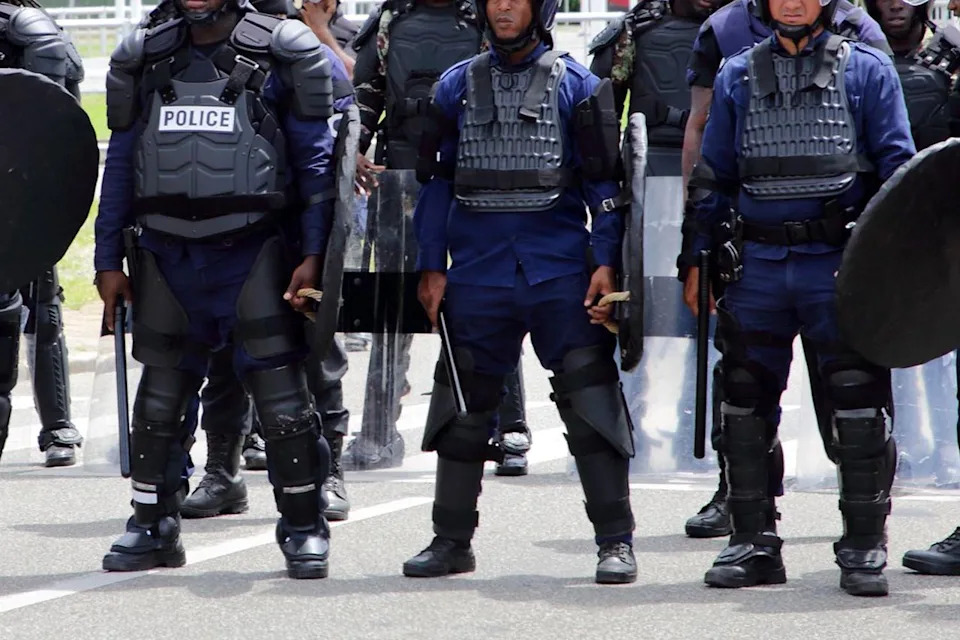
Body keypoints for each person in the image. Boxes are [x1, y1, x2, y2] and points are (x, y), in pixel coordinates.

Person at [95, 0, 352, 578]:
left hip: (255, 251)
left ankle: (304, 526)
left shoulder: (285, 48)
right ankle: (152, 524)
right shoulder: (144, 54)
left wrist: (314, 255)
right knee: (159, 400)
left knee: (283, 402)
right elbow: (122, 163)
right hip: (165, 254)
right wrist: (107, 257)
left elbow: (317, 168)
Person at [679, 0, 914, 595]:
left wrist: (896, 268)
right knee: (742, 404)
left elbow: (898, 173)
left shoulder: (867, 70)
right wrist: (694, 257)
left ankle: (863, 547)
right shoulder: (735, 73)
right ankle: (752, 542)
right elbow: (715, 175)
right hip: (755, 267)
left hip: (837, 267)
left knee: (858, 407)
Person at [403, 0, 637, 583]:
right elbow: (433, 184)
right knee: (461, 411)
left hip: (558, 274)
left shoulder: (579, 85)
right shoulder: (455, 86)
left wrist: (606, 264)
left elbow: (604, 187)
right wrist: (431, 265)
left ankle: (615, 542)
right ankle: (450, 541)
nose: (503, 6)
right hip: (476, 276)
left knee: (590, 405)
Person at [178, 0, 358, 524]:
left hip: (293, 217)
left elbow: (339, 119)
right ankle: (222, 471)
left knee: (315, 347)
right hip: (226, 226)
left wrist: (317, 243)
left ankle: (329, 473)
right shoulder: (197, 34)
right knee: (225, 352)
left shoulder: (290, 35)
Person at [346, 0, 532, 475]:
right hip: (400, 177)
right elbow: (365, 93)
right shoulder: (392, 19)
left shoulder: (483, 16)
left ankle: (508, 429)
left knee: (491, 303)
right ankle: (377, 432)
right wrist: (355, 150)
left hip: (477, 176)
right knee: (392, 311)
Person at [0, 0, 86, 467]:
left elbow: (53, 120)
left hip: (19, 192)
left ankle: (57, 425)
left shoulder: (25, 29)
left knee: (42, 309)